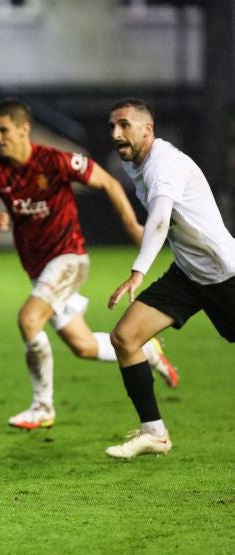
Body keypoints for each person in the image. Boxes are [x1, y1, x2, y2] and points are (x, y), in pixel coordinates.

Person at [0, 99, 179, 430]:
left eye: (3, 130)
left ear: (23, 129)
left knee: (28, 319)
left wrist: (131, 226)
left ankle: (42, 407)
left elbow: (108, 182)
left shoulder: (55, 161)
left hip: (69, 258)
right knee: (83, 346)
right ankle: (150, 351)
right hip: (40, 270)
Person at [105, 98, 235, 458]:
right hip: (188, 274)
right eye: (112, 126)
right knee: (125, 337)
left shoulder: (163, 164)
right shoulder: (135, 163)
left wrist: (138, 272)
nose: (116, 134)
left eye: (124, 125)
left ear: (148, 129)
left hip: (224, 274)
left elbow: (160, 220)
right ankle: (155, 433)